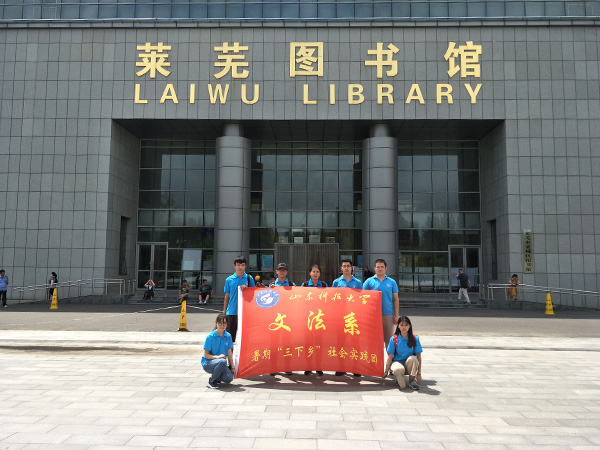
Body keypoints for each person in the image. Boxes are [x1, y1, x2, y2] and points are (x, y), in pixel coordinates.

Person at [332, 258, 362, 376]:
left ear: (351, 268)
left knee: (355, 343)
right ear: (341, 268)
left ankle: (355, 368)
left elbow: (362, 299)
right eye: (344, 266)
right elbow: (332, 299)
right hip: (340, 317)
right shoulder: (336, 282)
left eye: (348, 266)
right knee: (341, 343)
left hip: (354, 317)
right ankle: (341, 367)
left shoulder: (358, 283)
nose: (346, 268)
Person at [363, 259, 399, 350]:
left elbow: (396, 299)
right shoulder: (369, 282)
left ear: (385, 268)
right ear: (374, 268)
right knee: (374, 341)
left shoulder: (392, 282)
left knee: (388, 341)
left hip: (388, 314)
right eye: (378, 267)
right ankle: (374, 359)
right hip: (373, 315)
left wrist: (396, 315)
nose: (380, 269)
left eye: (382, 267)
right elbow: (362, 298)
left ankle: (389, 358)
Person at [383, 315, 422, 390]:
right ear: (398, 326)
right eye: (401, 325)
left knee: (414, 359)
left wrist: (419, 373)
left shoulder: (414, 339)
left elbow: (419, 357)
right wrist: (386, 371)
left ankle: (412, 381)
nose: (404, 327)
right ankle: (399, 378)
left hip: (409, 366)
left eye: (406, 325)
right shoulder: (394, 339)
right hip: (397, 364)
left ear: (409, 326)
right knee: (402, 385)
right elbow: (390, 357)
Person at [223, 256, 255, 342]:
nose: (240, 267)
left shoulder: (249, 278)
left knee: (245, 338)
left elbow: (253, 293)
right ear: (234, 266)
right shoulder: (229, 279)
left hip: (245, 313)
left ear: (245, 266)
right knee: (230, 339)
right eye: (238, 265)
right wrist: (224, 311)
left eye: (242, 265)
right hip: (232, 312)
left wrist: (247, 289)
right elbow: (227, 296)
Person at [301, 264, 326, 375]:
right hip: (308, 319)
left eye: (317, 272)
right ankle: (308, 366)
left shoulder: (324, 285)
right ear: (309, 273)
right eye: (313, 271)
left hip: (320, 319)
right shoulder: (305, 285)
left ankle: (318, 366)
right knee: (308, 343)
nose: (315, 274)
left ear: (320, 274)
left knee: (319, 344)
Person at [202, 314, 235, 389]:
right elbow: (206, 355)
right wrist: (217, 357)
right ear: (216, 323)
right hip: (208, 363)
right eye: (220, 324)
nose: (222, 326)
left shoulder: (228, 336)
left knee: (228, 378)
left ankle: (217, 376)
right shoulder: (210, 337)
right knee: (222, 361)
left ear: (227, 324)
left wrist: (232, 367)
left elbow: (229, 352)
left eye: (224, 324)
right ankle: (212, 381)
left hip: (221, 363)